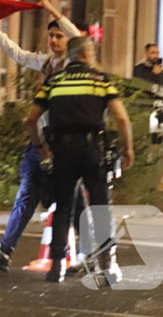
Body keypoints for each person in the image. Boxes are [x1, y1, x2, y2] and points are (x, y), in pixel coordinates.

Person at [0, 0, 81, 272]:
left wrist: (53, 11)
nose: (55, 40)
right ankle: (4, 250)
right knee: (26, 196)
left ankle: (80, 256)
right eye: (52, 35)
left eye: (59, 36)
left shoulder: (73, 65)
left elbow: (78, 36)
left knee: (72, 204)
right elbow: (18, 54)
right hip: (40, 143)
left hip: (65, 146)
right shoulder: (45, 63)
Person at [26, 36, 134, 284]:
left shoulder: (54, 81)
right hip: (91, 150)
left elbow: (31, 119)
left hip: (62, 151)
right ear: (88, 55)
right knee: (100, 207)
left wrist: (40, 146)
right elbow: (120, 117)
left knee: (63, 207)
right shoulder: (100, 80)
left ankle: (56, 267)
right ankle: (108, 267)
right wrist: (128, 149)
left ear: (70, 56)